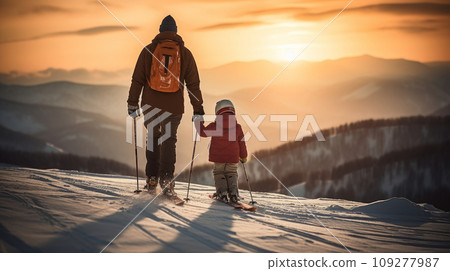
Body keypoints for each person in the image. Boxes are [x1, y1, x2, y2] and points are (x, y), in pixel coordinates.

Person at [127, 15, 204, 196]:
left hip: (150, 105)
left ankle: (152, 178)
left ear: (160, 30)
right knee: (169, 140)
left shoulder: (148, 50)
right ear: (176, 31)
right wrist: (198, 109)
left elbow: (137, 80)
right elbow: (193, 85)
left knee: (153, 138)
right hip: (174, 107)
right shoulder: (185, 53)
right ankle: (167, 179)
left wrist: (132, 104)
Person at [194, 99, 247, 203]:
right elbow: (242, 143)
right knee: (232, 172)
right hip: (233, 157)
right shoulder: (237, 127)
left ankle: (222, 193)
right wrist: (243, 156)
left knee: (219, 173)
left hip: (218, 157)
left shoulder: (215, 126)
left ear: (218, 112)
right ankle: (233, 194)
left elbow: (203, 132)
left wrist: (197, 121)